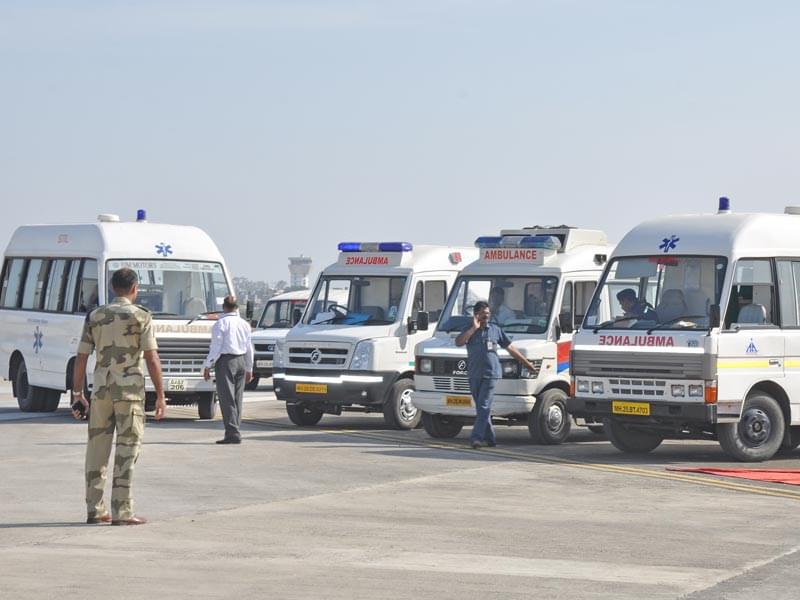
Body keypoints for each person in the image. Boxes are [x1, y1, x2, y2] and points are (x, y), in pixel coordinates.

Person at [72, 267, 166, 526]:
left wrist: (78, 393)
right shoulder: (141, 316)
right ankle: (122, 511)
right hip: (129, 393)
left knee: (96, 450)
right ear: (135, 289)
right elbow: (152, 357)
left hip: (100, 391)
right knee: (127, 449)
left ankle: (95, 509)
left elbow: (81, 357)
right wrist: (161, 395)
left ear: (113, 288)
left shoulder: (95, 315)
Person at [455, 301, 538, 449]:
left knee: (484, 405)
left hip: (491, 374)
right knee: (482, 408)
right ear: (476, 315)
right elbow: (459, 342)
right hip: (474, 374)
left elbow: (510, 347)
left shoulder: (495, 330)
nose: (486, 317)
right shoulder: (469, 329)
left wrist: (526, 363)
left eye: (488, 314)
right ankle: (491, 438)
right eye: (483, 314)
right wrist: (473, 328)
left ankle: (476, 438)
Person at [203, 296, 254, 444]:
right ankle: (235, 429)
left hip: (226, 361)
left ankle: (232, 433)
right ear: (237, 308)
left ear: (224, 307)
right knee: (238, 398)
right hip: (241, 360)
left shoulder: (221, 324)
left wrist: (208, 365)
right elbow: (249, 348)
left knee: (227, 398)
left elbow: (216, 347)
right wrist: (249, 368)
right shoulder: (244, 324)